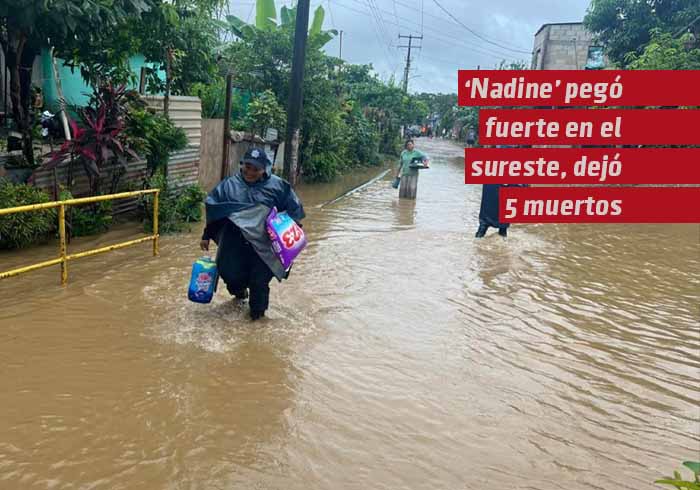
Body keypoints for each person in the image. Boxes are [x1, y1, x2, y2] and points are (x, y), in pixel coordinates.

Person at [199, 148, 305, 320]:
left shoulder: (278, 187)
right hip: (234, 241)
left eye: (256, 169)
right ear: (242, 165)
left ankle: (257, 320)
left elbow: (293, 212)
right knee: (230, 276)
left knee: (259, 282)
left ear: (265, 169)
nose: (250, 172)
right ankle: (240, 294)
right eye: (248, 166)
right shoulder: (228, 186)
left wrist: (290, 236)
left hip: (265, 244)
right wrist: (206, 235)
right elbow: (216, 210)